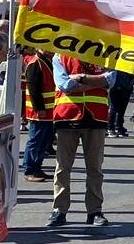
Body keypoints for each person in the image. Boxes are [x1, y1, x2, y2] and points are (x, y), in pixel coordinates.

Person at [47, 55, 109, 229]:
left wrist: (80, 78)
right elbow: (64, 85)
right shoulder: (60, 55)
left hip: (96, 117)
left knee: (95, 168)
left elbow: (111, 79)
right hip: (67, 117)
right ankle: (59, 210)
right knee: (62, 168)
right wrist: (97, 82)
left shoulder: (105, 53)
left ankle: (94, 211)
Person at [21, 48, 54, 182]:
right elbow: (33, 88)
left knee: (44, 141)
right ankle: (30, 170)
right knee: (35, 140)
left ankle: (37, 168)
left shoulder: (46, 61)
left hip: (48, 110)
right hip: (40, 111)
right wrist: (39, 108)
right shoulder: (35, 63)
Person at [106, 68, 134, 137]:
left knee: (121, 109)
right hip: (117, 85)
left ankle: (118, 126)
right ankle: (110, 127)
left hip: (127, 85)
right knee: (114, 108)